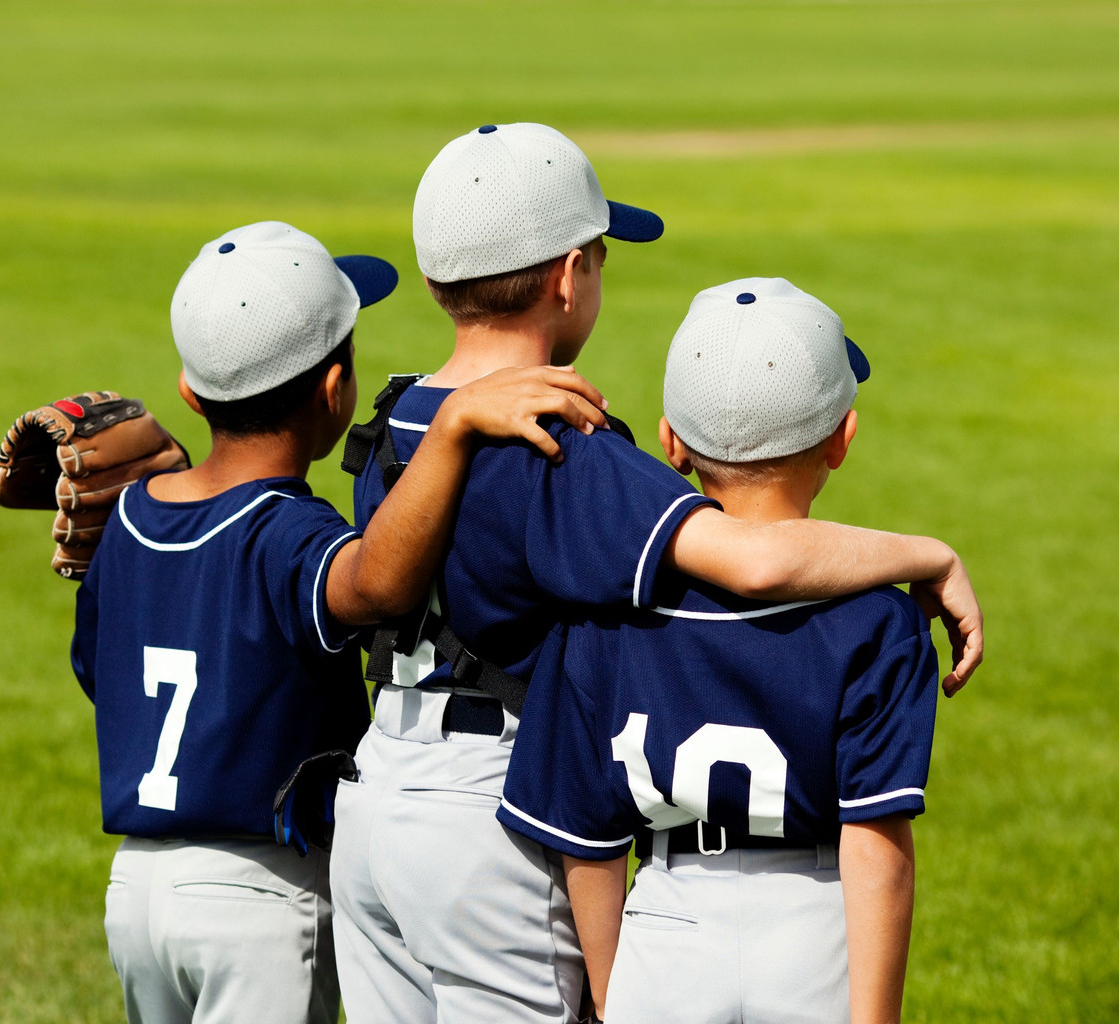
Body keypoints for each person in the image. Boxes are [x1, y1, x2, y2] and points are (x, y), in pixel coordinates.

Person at [330, 123, 981, 1024]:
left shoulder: (397, 422)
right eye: (597, 257)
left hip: (373, 801)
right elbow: (752, 560)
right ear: (568, 275)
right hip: (489, 814)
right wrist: (929, 554)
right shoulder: (563, 447)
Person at [68, 219, 609, 1024]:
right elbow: (378, 585)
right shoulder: (291, 532)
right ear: (336, 389)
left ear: (189, 391)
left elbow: (96, 671)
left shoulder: (134, 521)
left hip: (137, 895)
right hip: (258, 900)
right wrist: (455, 427)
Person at [500, 277, 938, 1024]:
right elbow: (876, 849)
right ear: (842, 438)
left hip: (669, 924)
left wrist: (611, 994)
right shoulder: (878, 619)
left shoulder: (606, 612)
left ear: (671, 443)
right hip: (813, 930)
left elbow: (590, 842)